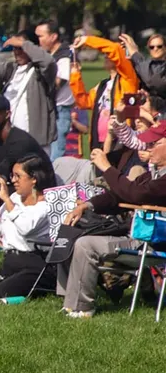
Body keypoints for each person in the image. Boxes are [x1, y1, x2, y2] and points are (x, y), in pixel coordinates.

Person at [55, 136, 166, 317]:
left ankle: (83, 308)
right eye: (149, 144)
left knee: (86, 245)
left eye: (156, 144)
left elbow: (136, 194)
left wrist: (107, 168)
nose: (149, 148)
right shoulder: (151, 176)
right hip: (140, 238)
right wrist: (85, 206)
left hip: (154, 243)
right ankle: (69, 303)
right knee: (69, 235)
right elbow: (119, 196)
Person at [0, 154, 57, 298]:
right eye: (12, 175)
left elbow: (25, 228)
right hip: (11, 261)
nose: (13, 181)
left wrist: (5, 198)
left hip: (35, 262)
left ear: (34, 179)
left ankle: (45, 286)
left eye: (18, 176)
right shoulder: (15, 199)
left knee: (0, 293)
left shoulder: (46, 205)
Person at [0, 34, 57, 150]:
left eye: (20, 48)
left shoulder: (41, 72)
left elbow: (49, 62)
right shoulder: (9, 68)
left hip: (34, 142)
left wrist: (22, 43)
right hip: (6, 138)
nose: (17, 52)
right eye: (14, 48)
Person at [36, 21, 78, 161]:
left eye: (41, 36)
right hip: (50, 110)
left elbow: (59, 82)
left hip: (60, 111)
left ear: (53, 37)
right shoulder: (50, 55)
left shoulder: (65, 55)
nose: (38, 40)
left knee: (55, 157)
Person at [128, 32, 166, 96]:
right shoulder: (143, 64)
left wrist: (135, 55)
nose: (155, 49)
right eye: (152, 47)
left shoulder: (141, 65)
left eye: (159, 46)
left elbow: (153, 82)